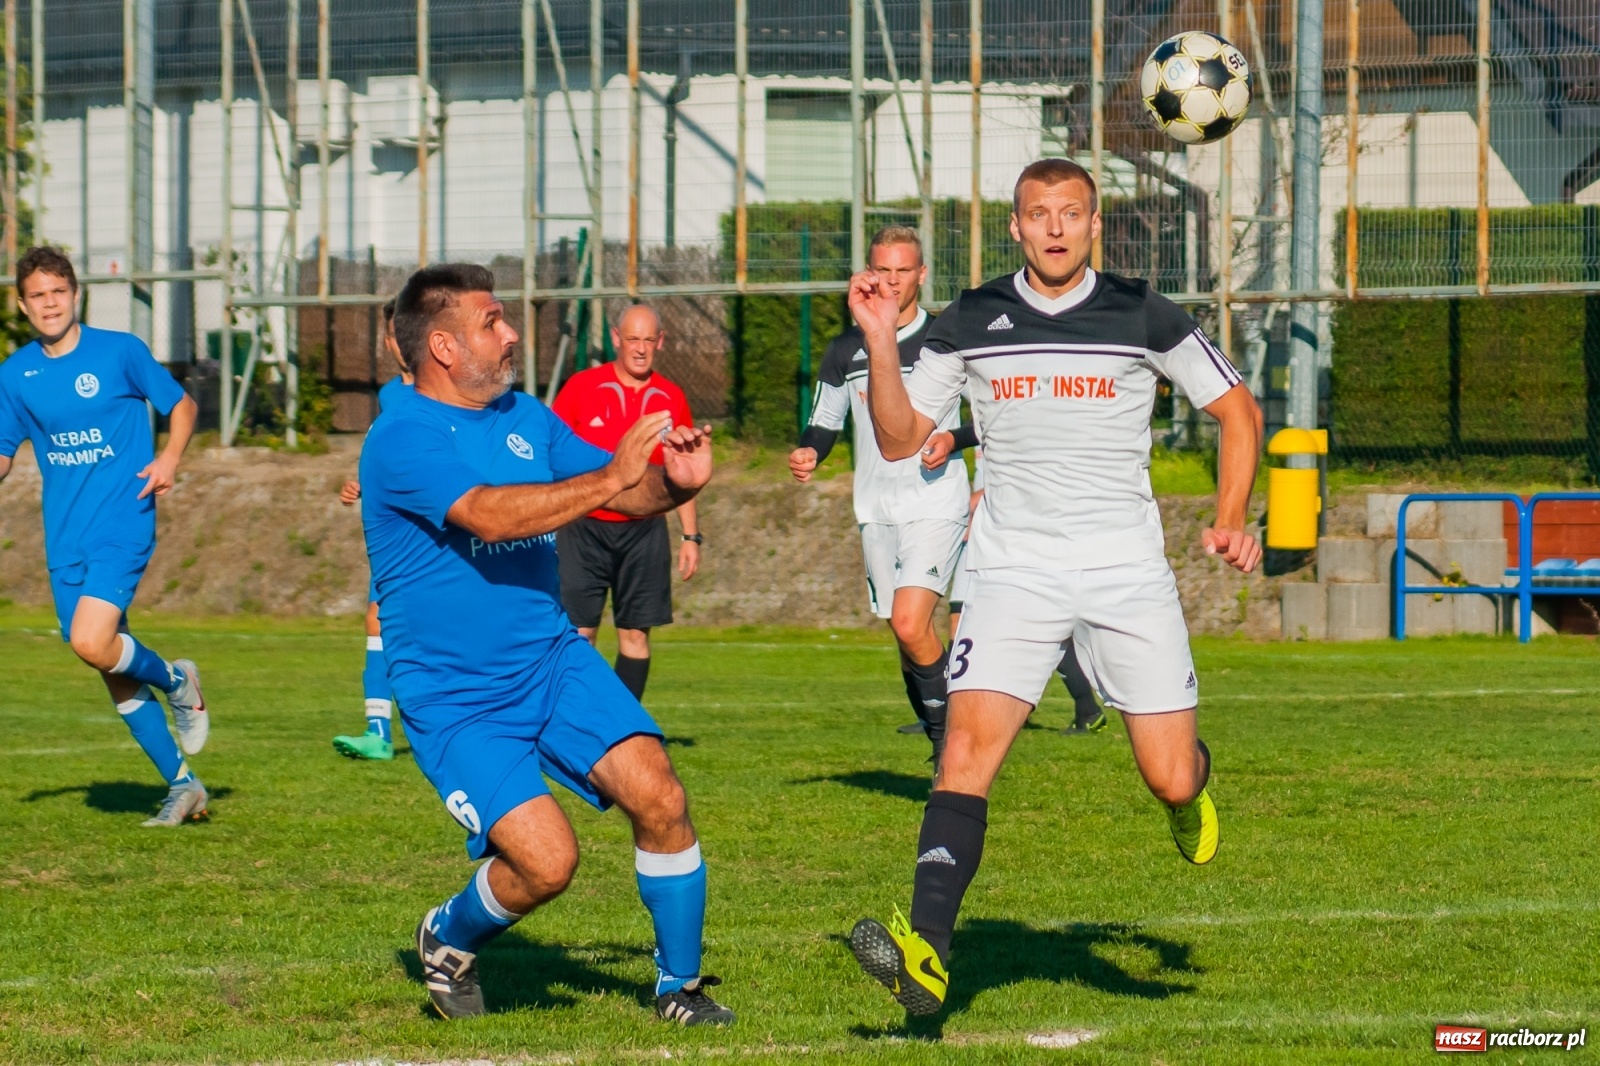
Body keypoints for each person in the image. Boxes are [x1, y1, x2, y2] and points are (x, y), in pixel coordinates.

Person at [844, 159, 1263, 1015]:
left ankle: (1191, 787)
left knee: (1169, 776)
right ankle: (928, 953)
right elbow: (897, 438)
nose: (1057, 228)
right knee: (964, 756)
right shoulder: (970, 319)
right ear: (1017, 227)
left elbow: (1236, 410)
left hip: (1125, 572)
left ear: (1096, 224)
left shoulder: (1143, 313)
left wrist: (1229, 515)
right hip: (1011, 571)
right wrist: (883, 342)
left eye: (1072, 213)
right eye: (1040, 214)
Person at [360, 264, 732, 1026]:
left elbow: (620, 489)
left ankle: (680, 989)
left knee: (660, 793)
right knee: (547, 862)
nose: (510, 334)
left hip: (551, 661)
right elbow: (489, 515)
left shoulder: (524, 415)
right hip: (457, 699)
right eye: (492, 322)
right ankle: (448, 935)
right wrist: (613, 478)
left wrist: (675, 483)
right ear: (443, 347)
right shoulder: (399, 438)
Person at [0, 246, 211, 827]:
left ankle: (178, 681)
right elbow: (3, 451)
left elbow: (182, 405)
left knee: (91, 641)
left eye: (58, 292)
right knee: (111, 666)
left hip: (123, 519)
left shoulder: (120, 351)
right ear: (22, 305)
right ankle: (184, 785)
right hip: (64, 536)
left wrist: (169, 457)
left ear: (76, 294)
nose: (49, 303)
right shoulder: (15, 374)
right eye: (37, 295)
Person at [788, 226, 970, 764]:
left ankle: (951, 747)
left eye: (903, 270)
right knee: (906, 634)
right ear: (868, 273)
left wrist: (953, 438)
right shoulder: (847, 348)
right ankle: (943, 737)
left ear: (921, 274)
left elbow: (992, 415)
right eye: (882, 270)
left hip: (936, 501)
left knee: (912, 623)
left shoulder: (946, 339)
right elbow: (824, 420)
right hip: (876, 507)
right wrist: (810, 451)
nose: (892, 281)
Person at [550, 305, 700, 702]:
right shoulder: (581, 387)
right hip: (582, 527)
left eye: (649, 340)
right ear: (616, 338)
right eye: (633, 339)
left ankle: (623, 726)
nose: (640, 349)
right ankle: (577, 721)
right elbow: (551, 455)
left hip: (644, 532)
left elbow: (682, 475)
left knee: (635, 635)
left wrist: (691, 536)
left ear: (660, 342)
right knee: (579, 634)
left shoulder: (671, 397)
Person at [333, 298, 413, 761]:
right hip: (396, 533)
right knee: (377, 618)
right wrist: (362, 482)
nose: (403, 342)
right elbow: (388, 454)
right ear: (388, 342)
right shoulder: (389, 395)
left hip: (438, 531)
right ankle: (378, 732)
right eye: (396, 334)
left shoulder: (448, 392)